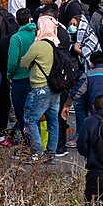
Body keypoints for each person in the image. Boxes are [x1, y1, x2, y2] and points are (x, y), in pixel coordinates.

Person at [19, 15, 61, 160]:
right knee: (53, 121)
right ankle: (51, 153)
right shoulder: (56, 43)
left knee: (30, 119)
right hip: (55, 89)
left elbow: (24, 62)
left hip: (39, 88)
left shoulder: (38, 45)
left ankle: (37, 152)